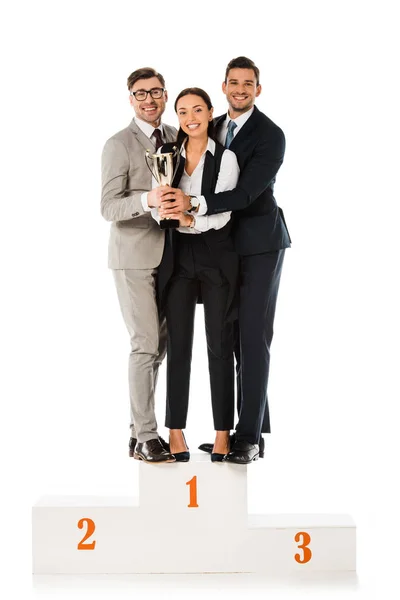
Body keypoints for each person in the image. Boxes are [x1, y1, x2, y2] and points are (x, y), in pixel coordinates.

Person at [159, 57, 291, 464]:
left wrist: (192, 206)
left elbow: (247, 193)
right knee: (228, 338)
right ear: (224, 87)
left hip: (258, 244)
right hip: (220, 247)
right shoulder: (212, 127)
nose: (239, 89)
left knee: (253, 336)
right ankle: (233, 430)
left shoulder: (271, 135)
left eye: (247, 84)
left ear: (258, 89)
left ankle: (249, 437)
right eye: (233, 82)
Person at [151, 88, 240, 462]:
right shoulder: (166, 156)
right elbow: (157, 206)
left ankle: (222, 434)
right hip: (178, 257)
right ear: (178, 116)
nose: (191, 117)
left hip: (217, 256)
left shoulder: (227, 158)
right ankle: (175, 431)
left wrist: (189, 217)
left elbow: (223, 213)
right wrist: (166, 212)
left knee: (220, 347)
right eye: (183, 110)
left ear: (210, 112)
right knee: (180, 348)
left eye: (198, 109)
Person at [101, 67, 178, 463]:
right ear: (130, 99)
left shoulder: (175, 138)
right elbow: (108, 206)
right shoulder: (118, 144)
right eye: (140, 93)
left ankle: (137, 434)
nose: (149, 99)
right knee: (144, 345)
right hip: (132, 256)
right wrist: (148, 199)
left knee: (159, 347)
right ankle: (147, 436)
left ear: (166, 96)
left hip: (172, 256)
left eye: (156, 92)